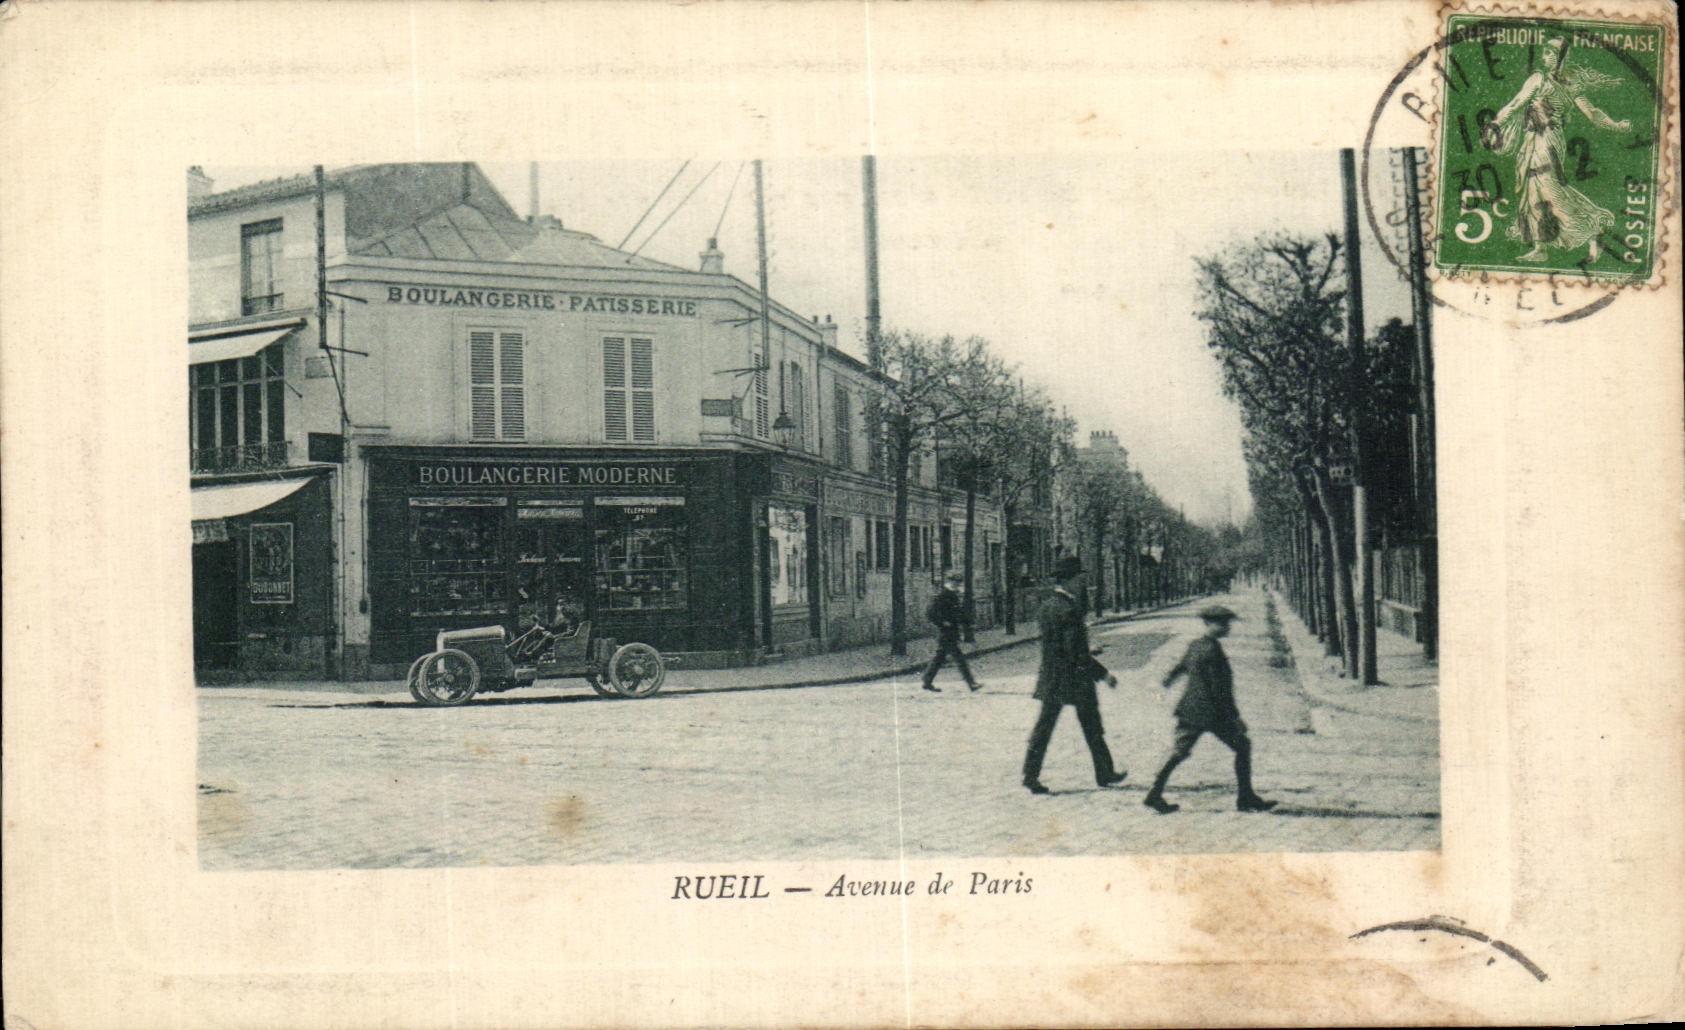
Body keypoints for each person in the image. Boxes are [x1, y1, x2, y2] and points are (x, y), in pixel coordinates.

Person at [1481, 33, 1630, 263]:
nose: (1545, 57)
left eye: (1550, 53)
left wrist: (1616, 126)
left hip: (1546, 140)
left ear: (1561, 57)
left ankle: (1592, 228)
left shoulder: (1551, 82)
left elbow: (1592, 113)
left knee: (1549, 191)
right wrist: (1497, 122)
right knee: (1534, 190)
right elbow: (1516, 103)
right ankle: (1543, 247)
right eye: (1544, 53)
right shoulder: (1549, 81)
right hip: (1536, 140)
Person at [1143, 604, 1275, 814]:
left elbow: (1181, 666)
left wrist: (1168, 680)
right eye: (1222, 623)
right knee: (1242, 746)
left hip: (1190, 709)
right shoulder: (1212, 650)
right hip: (1210, 713)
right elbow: (1219, 689)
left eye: (1227, 623)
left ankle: (1154, 792)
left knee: (1179, 751)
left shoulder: (1196, 644)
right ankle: (1246, 798)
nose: (1227, 627)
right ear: (1210, 624)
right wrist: (1235, 717)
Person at [1021, 555, 1128, 794]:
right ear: (1070, 581)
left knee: (1044, 728)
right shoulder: (1069, 610)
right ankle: (1104, 772)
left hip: (1052, 678)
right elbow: (1074, 653)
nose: (1082, 583)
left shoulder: (1047, 606)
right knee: (1092, 726)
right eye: (1080, 578)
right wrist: (1102, 673)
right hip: (1075, 678)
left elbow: (1057, 645)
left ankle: (1030, 774)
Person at [920, 571, 981, 692]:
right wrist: (942, 623)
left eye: (959, 582)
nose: (958, 584)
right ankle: (971, 683)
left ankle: (927, 680)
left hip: (951, 633)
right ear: (950, 581)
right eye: (956, 582)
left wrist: (968, 622)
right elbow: (930, 613)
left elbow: (958, 614)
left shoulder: (953, 595)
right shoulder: (943, 595)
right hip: (946, 633)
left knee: (940, 657)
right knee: (959, 659)